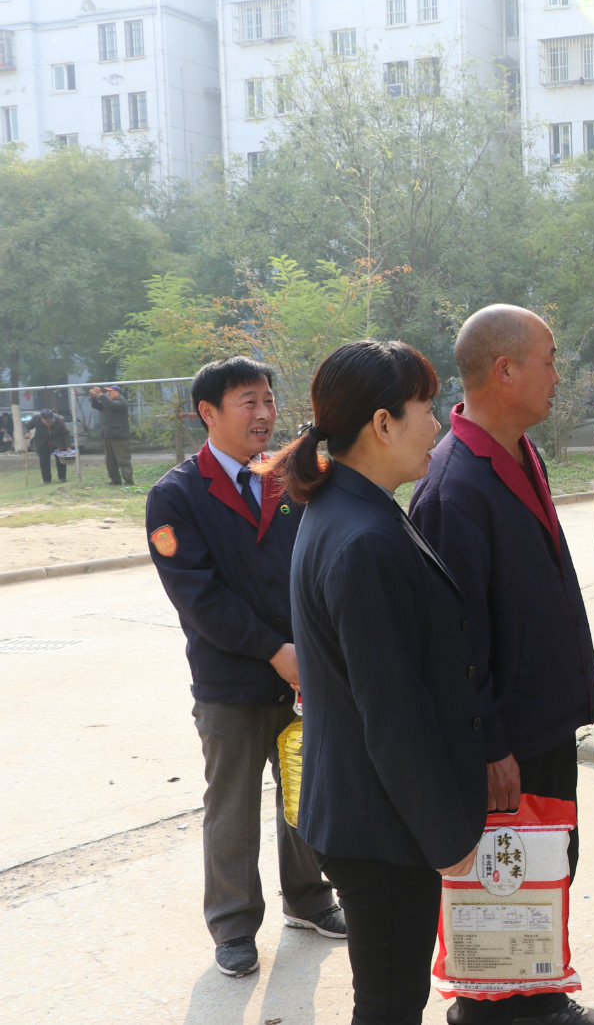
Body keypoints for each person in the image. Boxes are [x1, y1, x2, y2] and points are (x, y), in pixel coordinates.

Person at [268, 340, 485, 1025]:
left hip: (368, 811)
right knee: (389, 1005)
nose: (438, 423)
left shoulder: (352, 508)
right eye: (426, 407)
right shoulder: (362, 536)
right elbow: (392, 714)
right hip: (380, 826)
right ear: (383, 423)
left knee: (391, 998)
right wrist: (446, 837)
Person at [410, 305, 594, 1025]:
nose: (560, 376)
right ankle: (486, 1012)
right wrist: (490, 742)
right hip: (504, 738)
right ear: (504, 371)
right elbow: (452, 644)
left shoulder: (519, 452)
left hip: (541, 719)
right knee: (500, 881)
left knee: (545, 867)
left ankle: (541, 999)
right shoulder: (454, 487)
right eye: (549, 361)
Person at [144, 357, 341, 978]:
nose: (263, 414)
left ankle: (308, 898)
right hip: (232, 681)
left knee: (304, 789)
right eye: (247, 402)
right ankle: (232, 926)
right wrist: (275, 651)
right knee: (231, 806)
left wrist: (311, 649)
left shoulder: (290, 477)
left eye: (268, 400)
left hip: (305, 672)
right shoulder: (176, 496)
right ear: (208, 412)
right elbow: (199, 597)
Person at [90, 385, 135, 486]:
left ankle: (128, 480)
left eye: (111, 391)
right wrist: (93, 396)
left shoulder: (121, 402)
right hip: (108, 434)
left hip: (119, 436)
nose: (108, 393)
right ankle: (115, 480)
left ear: (118, 392)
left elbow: (112, 405)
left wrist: (100, 394)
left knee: (123, 459)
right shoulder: (108, 402)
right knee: (110, 461)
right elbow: (96, 405)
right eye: (107, 392)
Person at [24, 408, 71, 482]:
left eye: (51, 421)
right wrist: (26, 433)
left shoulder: (59, 420)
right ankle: (46, 479)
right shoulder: (36, 418)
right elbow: (27, 426)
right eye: (47, 421)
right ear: (42, 419)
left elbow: (66, 433)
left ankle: (62, 477)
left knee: (61, 459)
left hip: (57, 440)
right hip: (42, 440)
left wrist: (68, 446)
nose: (49, 423)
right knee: (44, 460)